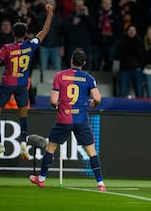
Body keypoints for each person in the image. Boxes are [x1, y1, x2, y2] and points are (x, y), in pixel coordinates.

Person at [29, 48, 106, 192]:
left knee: (51, 148)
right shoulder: (88, 78)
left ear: (71, 60)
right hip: (81, 119)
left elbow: (53, 101)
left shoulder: (59, 76)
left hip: (64, 118)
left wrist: (56, 105)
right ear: (83, 63)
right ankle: (100, 183)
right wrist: (93, 104)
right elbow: (97, 98)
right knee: (91, 152)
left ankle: (41, 179)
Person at [0, 3, 54, 161]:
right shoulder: (30, 45)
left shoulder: (7, 48)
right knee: (23, 115)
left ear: (13, 33)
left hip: (6, 85)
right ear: (26, 34)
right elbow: (44, 31)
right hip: (22, 86)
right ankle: (23, 144)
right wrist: (50, 14)